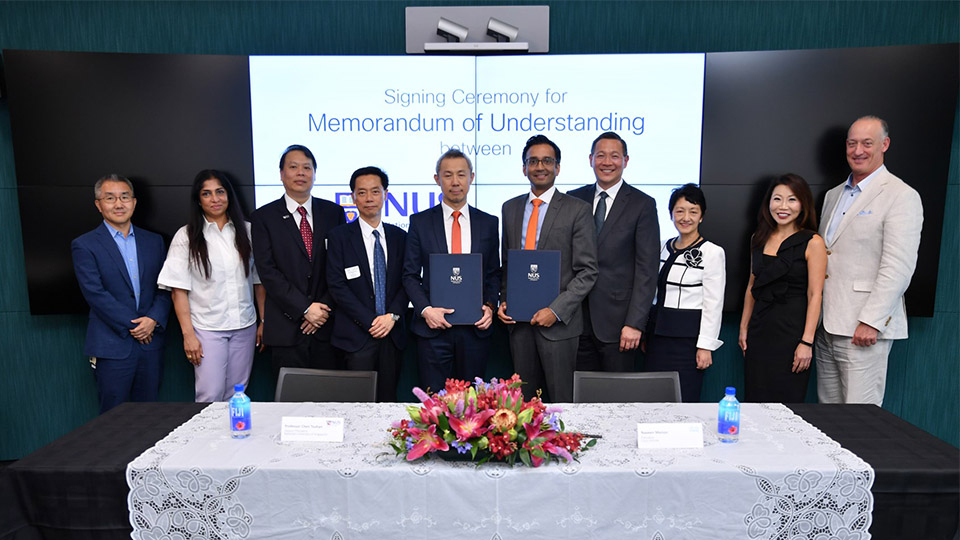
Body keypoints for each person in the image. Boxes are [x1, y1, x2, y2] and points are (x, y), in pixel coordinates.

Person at [815, 116, 923, 405]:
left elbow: (898, 267)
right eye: (852, 143)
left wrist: (871, 321)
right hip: (826, 326)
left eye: (867, 143)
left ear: (884, 145)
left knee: (860, 422)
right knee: (827, 419)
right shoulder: (833, 195)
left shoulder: (901, 196)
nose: (858, 150)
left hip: (863, 330)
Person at [498, 135, 598, 402]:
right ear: (524, 168)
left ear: (558, 167)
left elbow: (588, 271)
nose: (540, 166)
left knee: (561, 403)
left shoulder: (578, 210)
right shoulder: (509, 208)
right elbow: (508, 264)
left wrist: (556, 310)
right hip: (519, 326)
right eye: (533, 161)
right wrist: (504, 301)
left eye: (547, 160)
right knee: (523, 407)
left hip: (559, 327)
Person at [157, 170, 265, 402]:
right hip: (207, 329)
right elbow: (178, 291)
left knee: (238, 394)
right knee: (210, 395)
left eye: (220, 192)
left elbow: (258, 281)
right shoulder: (186, 236)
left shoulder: (247, 231)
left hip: (244, 327)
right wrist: (188, 335)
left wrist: (263, 321)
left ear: (229, 195)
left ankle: (236, 437)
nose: (215, 199)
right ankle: (207, 439)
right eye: (207, 194)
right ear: (198, 199)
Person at [71, 174, 171, 413]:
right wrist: (136, 325)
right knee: (113, 420)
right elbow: (95, 293)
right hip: (112, 345)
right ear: (98, 204)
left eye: (124, 197)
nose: (118, 204)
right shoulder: (84, 245)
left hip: (150, 344)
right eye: (110, 198)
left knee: (149, 416)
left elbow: (166, 287)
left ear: (134, 202)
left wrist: (153, 320)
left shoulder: (154, 241)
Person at [403, 150, 500, 392]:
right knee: (433, 406)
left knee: (474, 407)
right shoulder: (420, 222)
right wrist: (426, 310)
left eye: (461, 174)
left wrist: (490, 306)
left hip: (475, 329)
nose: (455, 182)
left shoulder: (488, 223)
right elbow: (410, 274)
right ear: (437, 179)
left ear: (472, 177)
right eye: (448, 175)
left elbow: (493, 274)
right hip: (433, 330)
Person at [251, 145, 347, 373]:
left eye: (307, 168)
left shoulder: (333, 213)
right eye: (293, 167)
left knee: (331, 404)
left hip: (327, 326)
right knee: (289, 405)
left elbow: (340, 267)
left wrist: (321, 310)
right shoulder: (263, 217)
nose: (301, 173)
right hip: (286, 327)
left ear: (315, 173)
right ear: (281, 174)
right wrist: (305, 309)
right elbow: (268, 271)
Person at [568, 132, 659, 372]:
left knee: (616, 399)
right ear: (590, 159)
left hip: (619, 325)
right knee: (578, 397)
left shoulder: (643, 204)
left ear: (626, 161)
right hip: (574, 321)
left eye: (615, 156)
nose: (607, 162)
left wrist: (635, 323)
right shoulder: (572, 199)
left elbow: (647, 269)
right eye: (601, 156)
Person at [739, 174, 827, 403]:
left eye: (792, 200)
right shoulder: (758, 238)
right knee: (755, 399)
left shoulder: (813, 242)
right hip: (759, 331)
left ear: (803, 204)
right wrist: (744, 327)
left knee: (787, 404)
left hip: (792, 334)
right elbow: (751, 286)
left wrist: (806, 342)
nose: (783, 206)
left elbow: (815, 294)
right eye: (777, 199)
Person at [326, 167, 407, 401]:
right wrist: (371, 320)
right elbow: (337, 285)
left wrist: (391, 316)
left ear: (385, 194)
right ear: (353, 197)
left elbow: (407, 281)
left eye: (375, 191)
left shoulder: (400, 237)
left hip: (392, 334)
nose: (369, 198)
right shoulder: (339, 236)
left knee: (388, 402)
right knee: (356, 405)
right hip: (356, 335)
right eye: (362, 193)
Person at [643, 184, 724, 403]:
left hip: (688, 342)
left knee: (684, 400)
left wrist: (706, 346)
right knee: (653, 399)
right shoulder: (660, 246)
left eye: (693, 211)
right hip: (656, 338)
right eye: (679, 211)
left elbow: (713, 303)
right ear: (671, 214)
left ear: (701, 216)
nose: (685, 217)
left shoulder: (712, 252)